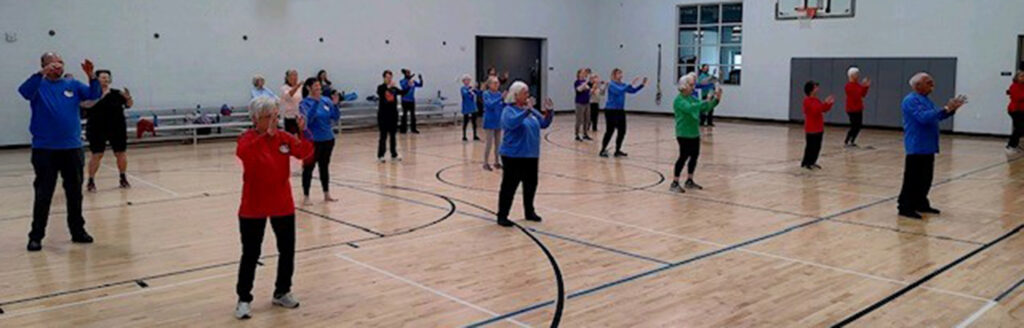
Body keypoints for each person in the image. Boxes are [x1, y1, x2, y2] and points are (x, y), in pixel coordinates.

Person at [233, 96, 312, 320]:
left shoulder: (283, 138)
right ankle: (244, 299)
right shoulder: (246, 139)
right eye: (268, 117)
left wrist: (303, 132)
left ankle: (282, 290)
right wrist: (264, 138)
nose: (273, 122)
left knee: (287, 250)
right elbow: (245, 155)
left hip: (282, 203)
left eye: (275, 116)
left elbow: (304, 153)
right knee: (251, 253)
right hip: (253, 206)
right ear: (256, 119)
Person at [18, 52, 101, 251]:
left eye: (60, 62)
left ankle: (77, 231)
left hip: (72, 149)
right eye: (52, 63)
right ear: (43, 66)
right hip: (44, 150)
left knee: (74, 193)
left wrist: (92, 76)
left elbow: (94, 95)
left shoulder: (72, 85)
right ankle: (36, 235)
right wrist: (40, 74)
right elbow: (23, 91)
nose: (57, 66)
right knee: (43, 194)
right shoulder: (38, 85)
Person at [897, 73, 967, 219]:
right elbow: (923, 117)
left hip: (928, 145)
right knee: (912, 179)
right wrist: (944, 108)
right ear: (918, 86)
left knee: (925, 178)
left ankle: (921, 203)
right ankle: (905, 206)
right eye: (928, 82)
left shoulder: (925, 100)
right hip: (916, 145)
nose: (932, 85)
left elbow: (937, 116)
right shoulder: (911, 100)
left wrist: (951, 110)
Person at [496, 82, 554, 227]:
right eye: (525, 93)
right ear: (515, 95)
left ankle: (529, 211)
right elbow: (511, 124)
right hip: (513, 155)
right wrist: (526, 112)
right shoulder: (508, 110)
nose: (528, 95)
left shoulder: (530, 111)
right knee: (509, 186)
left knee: (531, 184)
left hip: (531, 155)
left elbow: (544, 123)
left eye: (528, 92)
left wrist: (549, 111)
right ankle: (502, 215)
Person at [82, 69, 134, 192]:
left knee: (120, 153)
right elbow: (84, 107)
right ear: (97, 79)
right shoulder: (90, 94)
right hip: (96, 128)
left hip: (117, 127)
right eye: (102, 77)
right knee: (97, 154)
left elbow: (129, 104)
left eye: (107, 77)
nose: (105, 79)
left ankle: (123, 177)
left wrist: (128, 98)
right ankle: (91, 180)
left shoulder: (117, 93)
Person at [669, 73, 721, 193]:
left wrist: (715, 100)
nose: (693, 87)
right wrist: (705, 101)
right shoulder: (679, 100)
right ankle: (675, 182)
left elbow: (704, 108)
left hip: (694, 133)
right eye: (691, 85)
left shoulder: (692, 98)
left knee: (694, 156)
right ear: (684, 86)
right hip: (683, 133)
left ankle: (689, 180)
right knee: (683, 157)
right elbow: (691, 108)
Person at [299, 77, 341, 204]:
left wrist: (336, 105)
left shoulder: (326, 100)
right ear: (308, 88)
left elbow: (335, 117)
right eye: (315, 85)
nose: (318, 88)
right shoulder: (304, 103)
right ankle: (306, 195)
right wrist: (316, 103)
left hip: (328, 138)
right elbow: (308, 120)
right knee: (309, 168)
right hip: (312, 141)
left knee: (324, 167)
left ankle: (326, 193)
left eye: (319, 85)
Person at [600, 68, 646, 158]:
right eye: (618, 74)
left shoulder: (623, 84)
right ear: (614, 75)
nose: (620, 75)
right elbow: (619, 91)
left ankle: (617, 150)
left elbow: (632, 91)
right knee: (610, 131)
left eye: (621, 74)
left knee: (622, 131)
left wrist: (642, 85)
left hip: (620, 110)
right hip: (611, 110)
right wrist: (630, 84)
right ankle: (602, 150)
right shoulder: (611, 84)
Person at [801, 81, 835, 170]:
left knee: (817, 146)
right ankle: (806, 162)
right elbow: (815, 110)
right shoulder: (807, 101)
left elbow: (822, 109)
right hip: (811, 128)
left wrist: (828, 104)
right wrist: (825, 103)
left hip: (818, 127)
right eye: (815, 87)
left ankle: (812, 162)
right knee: (810, 147)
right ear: (811, 90)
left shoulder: (816, 100)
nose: (817, 88)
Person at [377, 70, 407, 162]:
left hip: (393, 115)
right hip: (383, 116)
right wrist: (388, 87)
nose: (389, 79)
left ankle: (394, 154)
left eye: (390, 77)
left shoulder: (394, 89)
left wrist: (409, 85)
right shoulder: (381, 87)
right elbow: (381, 94)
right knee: (383, 136)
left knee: (393, 136)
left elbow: (402, 93)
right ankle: (381, 155)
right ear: (384, 78)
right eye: (387, 77)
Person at [481, 76, 505, 171]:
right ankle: (485, 163)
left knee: (498, 143)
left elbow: (502, 106)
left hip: (498, 121)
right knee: (489, 143)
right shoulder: (486, 94)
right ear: (489, 84)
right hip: (489, 121)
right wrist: (500, 98)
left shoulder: (499, 93)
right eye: (495, 83)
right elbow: (489, 105)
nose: (497, 85)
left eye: (498, 83)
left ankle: (496, 161)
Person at [844, 67, 871, 147]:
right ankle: (847, 140)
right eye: (856, 74)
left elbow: (862, 94)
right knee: (854, 125)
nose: (858, 76)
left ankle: (852, 140)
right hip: (851, 109)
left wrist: (865, 87)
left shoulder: (858, 85)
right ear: (851, 76)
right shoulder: (848, 86)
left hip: (858, 108)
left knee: (859, 125)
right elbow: (856, 94)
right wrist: (863, 86)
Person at [399, 69, 424, 134]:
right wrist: (408, 82)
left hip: (412, 100)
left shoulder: (413, 81)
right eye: (407, 73)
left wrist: (421, 79)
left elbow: (420, 85)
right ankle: (403, 129)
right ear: (405, 74)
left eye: (409, 73)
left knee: (413, 115)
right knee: (404, 115)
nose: (409, 74)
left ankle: (413, 129)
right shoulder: (402, 81)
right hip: (404, 100)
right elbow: (404, 87)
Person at [1006, 71, 1024, 153]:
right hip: (1015, 110)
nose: (1023, 78)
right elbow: (1017, 98)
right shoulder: (1014, 86)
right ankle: (1010, 146)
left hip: (1022, 110)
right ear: (1017, 77)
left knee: (1020, 128)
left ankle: (1014, 145)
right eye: (1021, 76)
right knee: (1019, 128)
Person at [280, 70, 303, 135]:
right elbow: (288, 96)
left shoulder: (301, 88)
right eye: (292, 75)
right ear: (287, 77)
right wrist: (297, 86)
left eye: (296, 75)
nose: (295, 77)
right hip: (290, 117)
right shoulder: (284, 88)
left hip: (299, 116)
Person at [573, 69, 592, 141]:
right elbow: (579, 89)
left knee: (587, 119)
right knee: (579, 120)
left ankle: (585, 134)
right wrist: (586, 83)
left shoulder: (586, 82)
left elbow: (589, 89)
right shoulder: (577, 82)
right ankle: (577, 134)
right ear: (579, 74)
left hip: (587, 103)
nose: (584, 74)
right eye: (583, 73)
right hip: (579, 103)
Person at [459, 74, 480, 141]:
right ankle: (464, 135)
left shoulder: (471, 88)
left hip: (473, 107)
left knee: (474, 122)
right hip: (466, 107)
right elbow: (465, 94)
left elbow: (478, 93)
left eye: (468, 80)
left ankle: (475, 135)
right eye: (466, 80)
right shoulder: (463, 88)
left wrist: (477, 88)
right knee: (465, 122)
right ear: (463, 81)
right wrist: (471, 89)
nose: (467, 81)